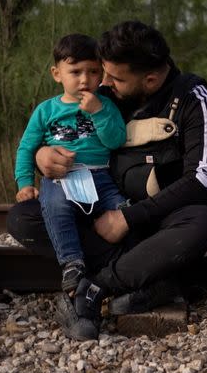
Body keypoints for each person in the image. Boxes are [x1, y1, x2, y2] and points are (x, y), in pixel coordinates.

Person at [6, 21, 207, 341]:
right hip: (104, 217)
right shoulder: (103, 94)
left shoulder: (194, 100)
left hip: (157, 224)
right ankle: (152, 277)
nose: (102, 83)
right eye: (101, 73)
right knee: (24, 217)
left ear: (149, 79)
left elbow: (202, 180)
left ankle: (99, 285)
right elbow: (59, 130)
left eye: (113, 78)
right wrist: (42, 155)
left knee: (206, 222)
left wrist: (129, 216)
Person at [14, 34, 126, 295]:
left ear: (102, 74)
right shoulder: (46, 110)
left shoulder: (107, 106)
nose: (85, 80)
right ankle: (72, 262)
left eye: (93, 72)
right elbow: (26, 148)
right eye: (75, 71)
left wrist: (98, 111)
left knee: (124, 209)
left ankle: (133, 257)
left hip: (101, 177)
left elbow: (115, 141)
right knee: (55, 209)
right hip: (60, 179)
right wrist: (25, 183)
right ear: (57, 74)